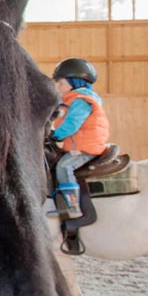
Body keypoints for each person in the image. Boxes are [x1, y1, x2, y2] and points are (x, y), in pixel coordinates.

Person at [49, 57, 110, 219]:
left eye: (61, 83)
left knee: (64, 167)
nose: (58, 87)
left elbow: (73, 123)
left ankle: (72, 206)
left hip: (86, 147)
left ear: (74, 83)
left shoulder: (81, 101)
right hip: (78, 144)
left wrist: (56, 135)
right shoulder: (70, 101)